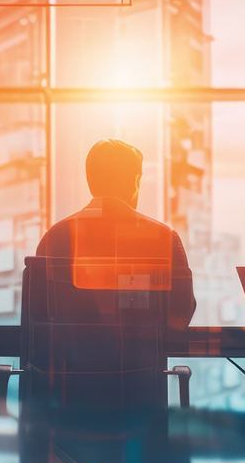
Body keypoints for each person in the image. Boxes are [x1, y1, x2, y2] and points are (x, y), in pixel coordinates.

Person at [36, 139, 196, 330]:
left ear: (90, 180)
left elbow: (37, 314)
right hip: (140, 357)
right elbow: (180, 316)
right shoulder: (162, 237)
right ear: (135, 181)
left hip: (69, 359)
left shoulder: (54, 238)